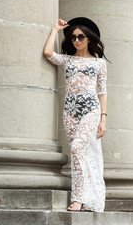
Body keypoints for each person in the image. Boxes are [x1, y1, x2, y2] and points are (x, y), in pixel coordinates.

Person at [43, 17, 108, 212]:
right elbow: (47, 53)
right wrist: (55, 29)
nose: (77, 41)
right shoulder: (68, 60)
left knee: (78, 148)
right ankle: (88, 198)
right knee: (81, 154)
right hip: (70, 112)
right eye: (73, 38)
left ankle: (79, 198)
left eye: (81, 37)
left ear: (89, 38)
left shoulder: (99, 63)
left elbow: (102, 92)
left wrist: (103, 118)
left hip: (91, 110)